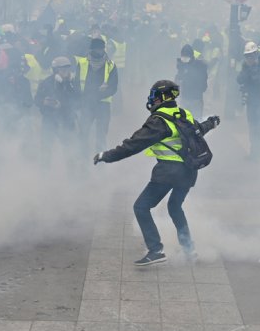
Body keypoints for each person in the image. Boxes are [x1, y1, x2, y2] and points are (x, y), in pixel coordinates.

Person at [93, 80, 220, 266]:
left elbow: (133, 145)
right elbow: (198, 130)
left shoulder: (158, 121)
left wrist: (106, 156)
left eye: (154, 95)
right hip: (189, 171)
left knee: (141, 207)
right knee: (175, 207)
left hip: (169, 172)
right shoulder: (183, 114)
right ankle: (189, 250)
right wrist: (211, 122)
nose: (151, 99)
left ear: (162, 97)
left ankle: (156, 250)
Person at [75, 38, 118, 157]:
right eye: (97, 49)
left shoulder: (111, 65)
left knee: (101, 135)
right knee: (83, 132)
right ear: (91, 49)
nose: (99, 51)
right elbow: (77, 83)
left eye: (101, 49)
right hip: (86, 104)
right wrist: (83, 98)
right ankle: (82, 157)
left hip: (103, 105)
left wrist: (97, 96)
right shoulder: (82, 63)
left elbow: (113, 87)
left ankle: (101, 159)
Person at [34, 56, 80, 164]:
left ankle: (72, 175)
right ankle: (44, 175)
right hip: (49, 120)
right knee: (46, 148)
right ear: (55, 71)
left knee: (69, 149)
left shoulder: (72, 84)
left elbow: (78, 102)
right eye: (63, 69)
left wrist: (61, 105)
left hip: (67, 120)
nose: (66, 72)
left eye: (68, 69)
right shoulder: (46, 82)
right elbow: (36, 99)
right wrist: (43, 102)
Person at [175, 44, 208, 119]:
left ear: (191, 56)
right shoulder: (181, 65)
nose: (184, 59)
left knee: (196, 122)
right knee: (183, 122)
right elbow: (178, 78)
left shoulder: (200, 67)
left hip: (196, 99)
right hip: (185, 98)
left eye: (186, 57)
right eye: (183, 57)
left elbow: (203, 84)